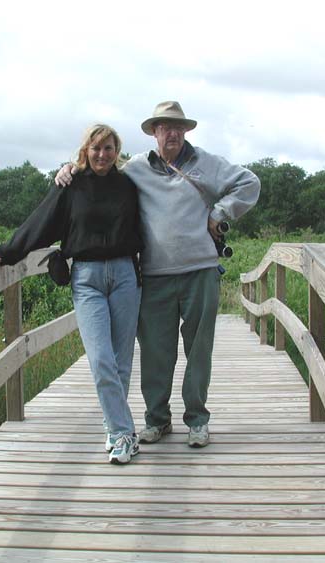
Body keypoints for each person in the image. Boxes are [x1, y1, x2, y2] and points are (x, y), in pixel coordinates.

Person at [56, 101, 260, 448]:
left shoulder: (207, 163)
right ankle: (157, 419)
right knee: (154, 352)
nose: (173, 133)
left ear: (186, 131)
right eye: (165, 127)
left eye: (178, 127)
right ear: (154, 132)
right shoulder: (135, 169)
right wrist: (67, 169)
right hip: (154, 275)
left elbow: (249, 183)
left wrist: (220, 212)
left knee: (199, 350)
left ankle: (196, 420)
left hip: (200, 271)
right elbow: (100, 172)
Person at [0, 124, 144, 464]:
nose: (102, 154)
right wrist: (6, 251)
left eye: (109, 148)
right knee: (101, 360)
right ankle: (123, 433)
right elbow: (41, 221)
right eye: (96, 148)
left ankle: (117, 429)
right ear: (86, 150)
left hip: (126, 274)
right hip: (87, 277)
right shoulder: (71, 185)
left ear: (117, 152)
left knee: (121, 361)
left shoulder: (130, 184)